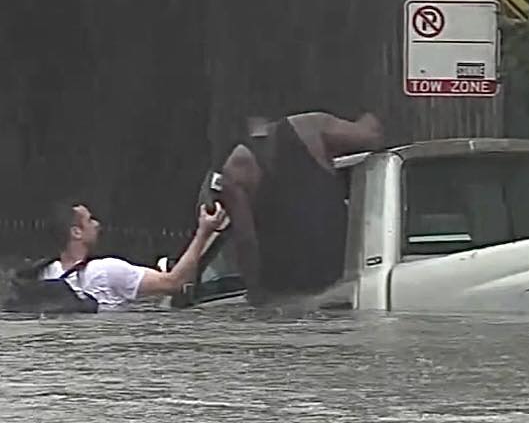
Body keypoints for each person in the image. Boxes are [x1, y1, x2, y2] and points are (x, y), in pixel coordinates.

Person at [217, 111, 383, 304]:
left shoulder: (236, 167)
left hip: (283, 292)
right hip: (340, 281)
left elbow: (246, 240)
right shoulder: (313, 127)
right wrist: (370, 115)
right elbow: (371, 137)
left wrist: (256, 293)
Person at [5, 199, 226, 313]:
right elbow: (174, 282)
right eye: (90, 220)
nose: (97, 224)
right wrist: (204, 232)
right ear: (76, 232)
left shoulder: (40, 275)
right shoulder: (107, 271)